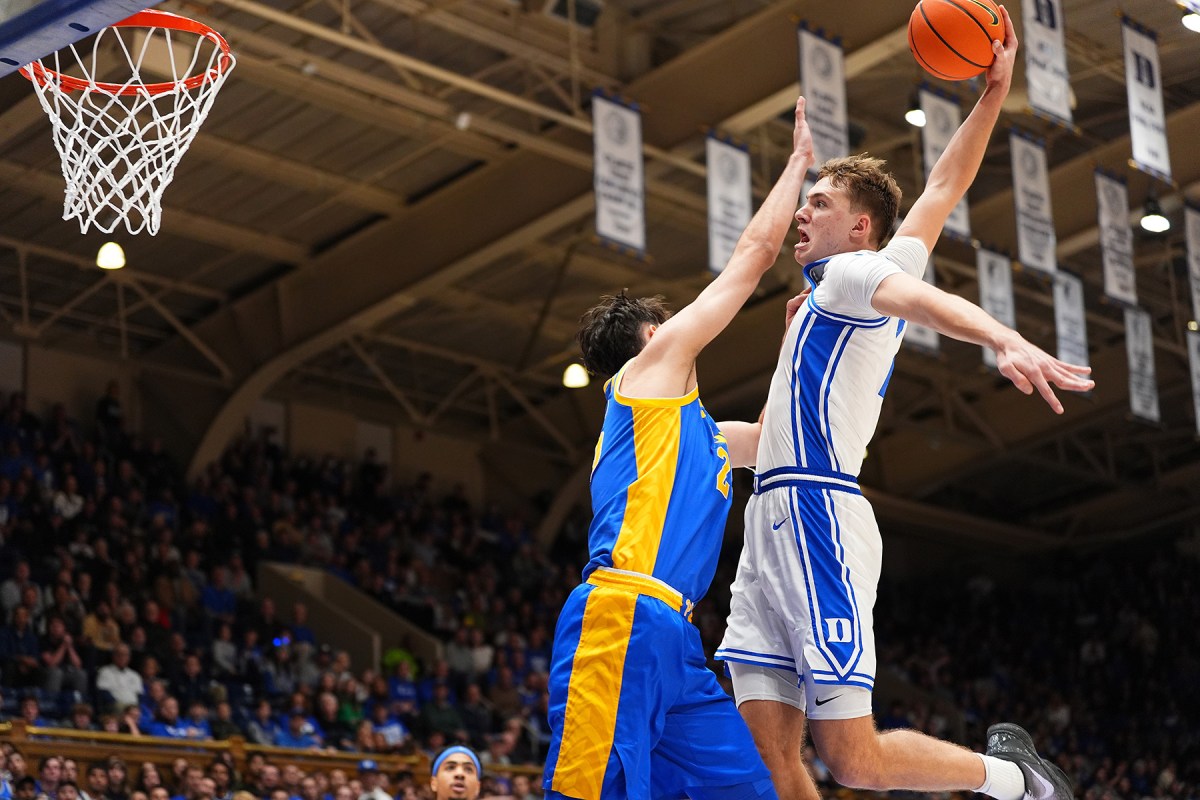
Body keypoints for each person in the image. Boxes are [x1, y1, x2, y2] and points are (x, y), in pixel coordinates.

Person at [714, 10, 1088, 800]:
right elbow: (944, 187)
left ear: (858, 227)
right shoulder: (824, 301)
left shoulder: (852, 277)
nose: (800, 215)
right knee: (769, 763)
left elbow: (926, 298)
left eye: (816, 203)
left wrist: (1003, 337)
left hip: (818, 514)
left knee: (852, 761)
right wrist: (993, 93)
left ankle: (1017, 780)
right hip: (769, 519)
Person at [541, 96, 816, 800]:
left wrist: (799, 342)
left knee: (747, 793)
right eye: (666, 323)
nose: (681, 327)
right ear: (647, 340)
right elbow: (751, 259)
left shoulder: (702, 435)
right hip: (619, 619)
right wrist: (796, 168)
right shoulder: (644, 379)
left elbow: (779, 439)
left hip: (677, 639)